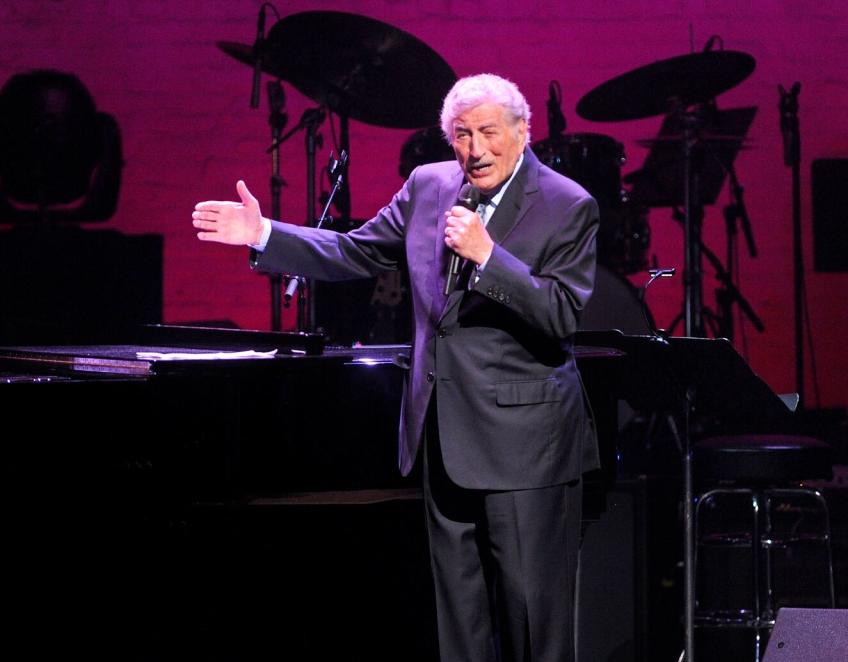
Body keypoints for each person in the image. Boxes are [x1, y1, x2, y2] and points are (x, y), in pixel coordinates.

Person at [192, 73, 600, 661]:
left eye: (489, 132)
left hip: (526, 447)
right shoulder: (430, 186)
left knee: (532, 615)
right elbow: (356, 250)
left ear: (523, 133)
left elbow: (562, 314)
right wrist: (264, 234)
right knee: (457, 621)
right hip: (441, 433)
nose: (475, 149)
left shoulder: (567, 203)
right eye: (462, 135)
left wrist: (489, 256)